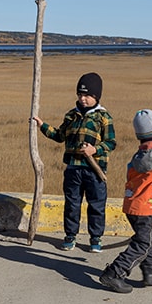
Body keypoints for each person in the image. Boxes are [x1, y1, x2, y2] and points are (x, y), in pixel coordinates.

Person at [99, 109, 152, 293]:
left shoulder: (137, 156)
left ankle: (151, 272)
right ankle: (113, 273)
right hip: (149, 208)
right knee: (143, 244)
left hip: (132, 205)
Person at [32, 72, 116, 252]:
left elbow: (111, 142)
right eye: (80, 95)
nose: (83, 99)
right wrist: (42, 126)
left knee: (96, 205)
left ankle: (95, 239)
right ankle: (70, 236)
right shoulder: (71, 116)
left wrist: (95, 150)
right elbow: (59, 136)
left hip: (95, 170)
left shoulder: (103, 117)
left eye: (87, 95)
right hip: (73, 169)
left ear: (96, 97)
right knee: (72, 204)